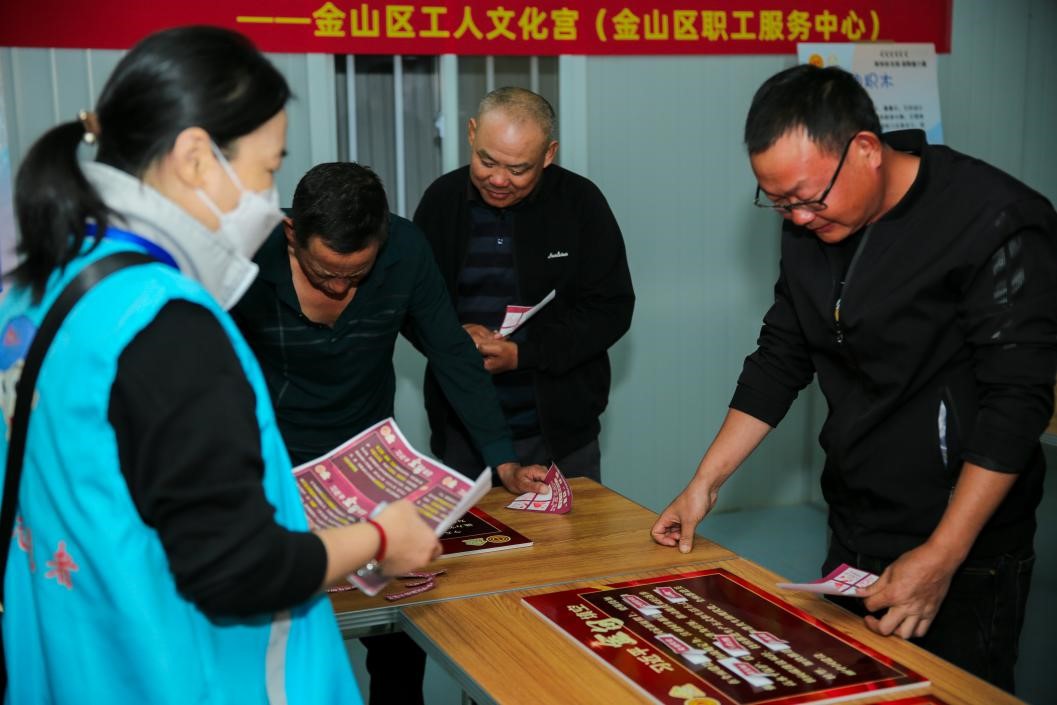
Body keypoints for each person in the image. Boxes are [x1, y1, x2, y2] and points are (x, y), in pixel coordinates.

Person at [0, 26, 439, 704]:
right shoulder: (165, 324)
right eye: (267, 169)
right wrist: (381, 537)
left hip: (75, 658)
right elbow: (239, 568)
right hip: (176, 673)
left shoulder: (43, 284)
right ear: (196, 159)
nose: (269, 199)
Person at [651, 64, 1057, 694]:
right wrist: (704, 484)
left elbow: (1017, 401)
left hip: (961, 543)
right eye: (779, 202)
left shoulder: (994, 220)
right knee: (841, 687)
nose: (798, 218)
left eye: (808, 198)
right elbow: (782, 353)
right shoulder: (812, 221)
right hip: (856, 523)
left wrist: (943, 555)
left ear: (865, 149)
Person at [231, 161, 547, 705]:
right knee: (273, 627)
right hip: (271, 461)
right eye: (324, 271)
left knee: (401, 614)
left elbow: (451, 353)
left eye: (356, 275)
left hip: (366, 457)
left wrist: (504, 460)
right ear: (291, 233)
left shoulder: (405, 250)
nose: (339, 286)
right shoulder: (246, 257)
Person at [414, 87, 635, 483]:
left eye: (518, 170)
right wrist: (454, 336)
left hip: (559, 432)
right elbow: (413, 306)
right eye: (487, 161)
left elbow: (612, 308)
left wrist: (525, 355)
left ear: (549, 154)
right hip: (461, 428)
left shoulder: (580, 204)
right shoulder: (441, 202)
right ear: (471, 133)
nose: (499, 180)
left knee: (571, 526)